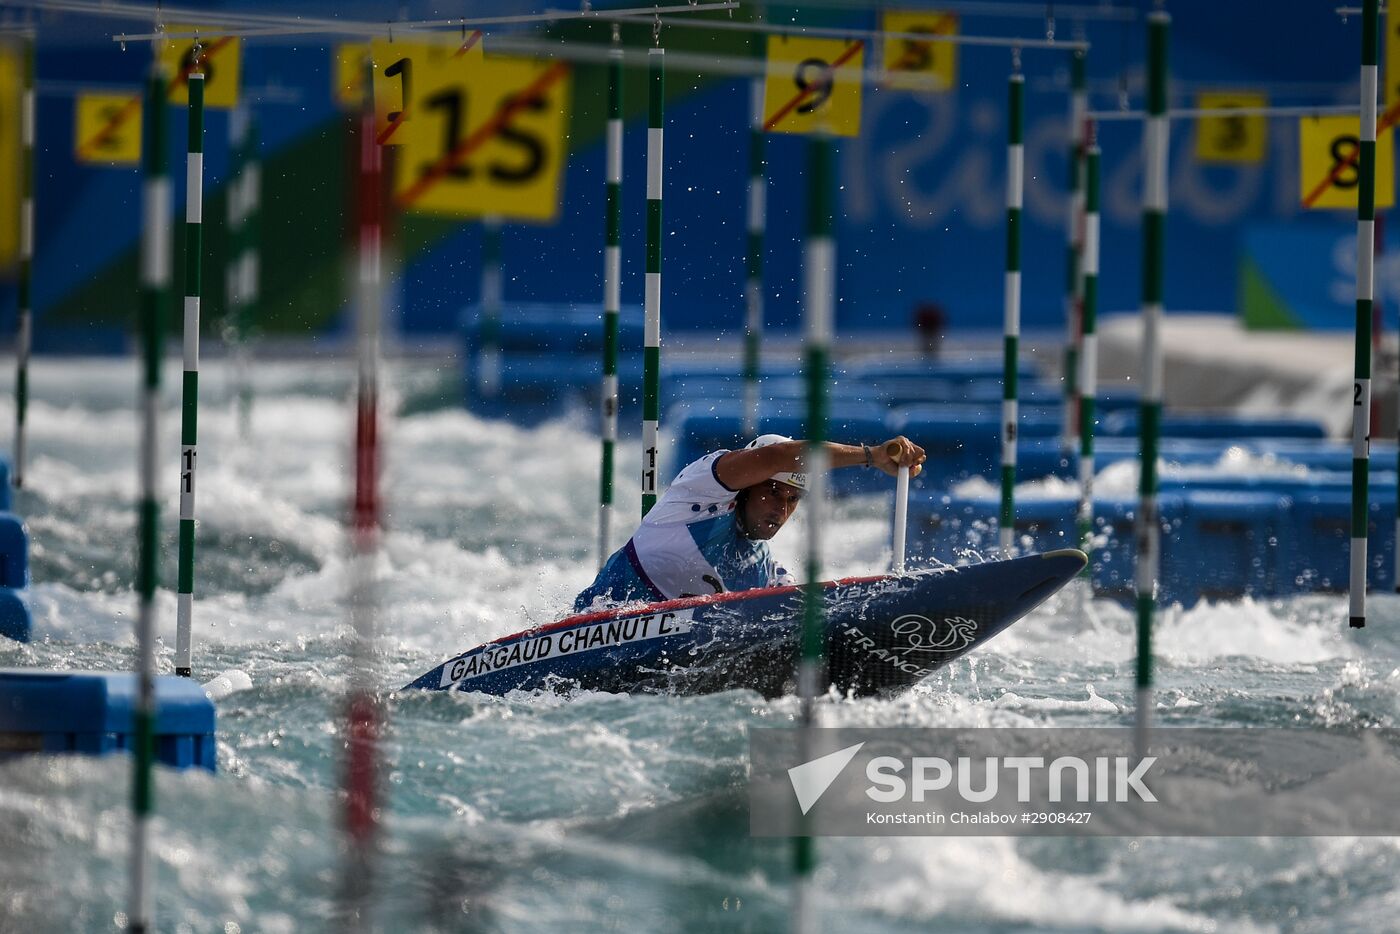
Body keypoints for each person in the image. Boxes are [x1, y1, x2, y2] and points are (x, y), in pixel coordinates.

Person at [573, 434, 927, 610]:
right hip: (590, 630)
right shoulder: (698, 491)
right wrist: (871, 455)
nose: (781, 509)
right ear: (744, 488)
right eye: (772, 492)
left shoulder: (764, 571)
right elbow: (777, 457)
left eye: (792, 500)